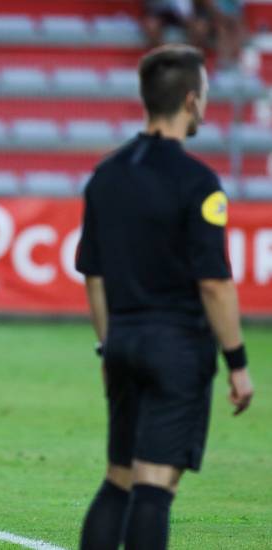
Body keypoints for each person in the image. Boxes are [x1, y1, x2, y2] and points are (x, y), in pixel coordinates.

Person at [76, 44, 255, 550]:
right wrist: (237, 363)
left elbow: (93, 275)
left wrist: (108, 344)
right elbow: (215, 282)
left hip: (123, 341)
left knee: (119, 477)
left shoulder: (106, 175)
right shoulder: (198, 181)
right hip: (176, 346)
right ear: (192, 101)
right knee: (155, 486)